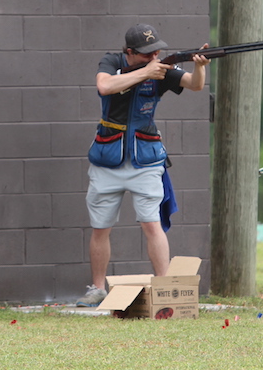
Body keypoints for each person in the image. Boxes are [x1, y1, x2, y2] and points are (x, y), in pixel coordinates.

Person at [75, 23, 209, 307]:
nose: (155, 56)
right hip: (107, 157)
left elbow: (195, 85)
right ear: (130, 52)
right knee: (100, 227)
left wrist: (200, 66)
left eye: (156, 51)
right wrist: (146, 72)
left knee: (152, 223)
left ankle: (163, 288)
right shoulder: (112, 62)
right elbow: (105, 85)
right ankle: (97, 288)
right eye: (148, 53)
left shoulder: (161, 69)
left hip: (146, 159)